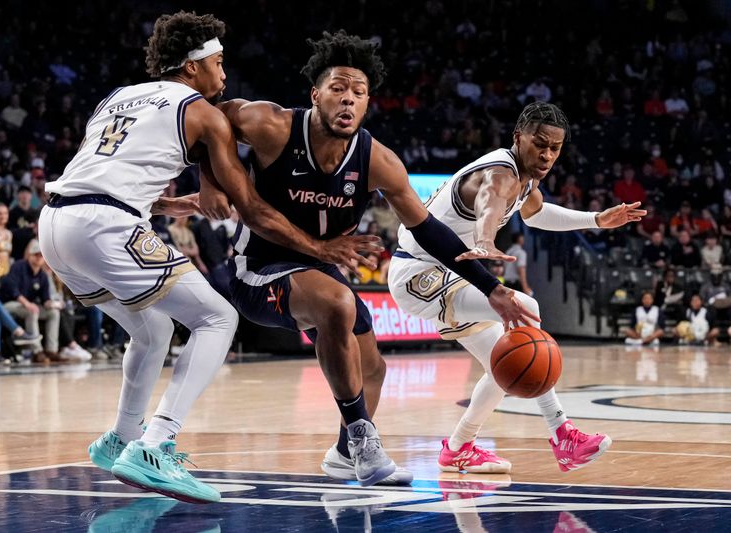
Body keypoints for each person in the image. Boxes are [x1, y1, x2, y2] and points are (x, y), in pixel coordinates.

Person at [37, 13, 380, 504]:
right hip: (106, 228)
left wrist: (166, 203)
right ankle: (156, 444)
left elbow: (101, 172)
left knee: (152, 330)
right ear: (193, 67)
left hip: (56, 224)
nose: (224, 75)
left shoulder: (116, 96)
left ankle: (120, 439)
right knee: (216, 317)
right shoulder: (203, 113)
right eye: (218, 64)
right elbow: (253, 210)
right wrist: (320, 250)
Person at [201, 30, 537, 487]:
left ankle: (344, 454)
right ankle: (362, 437)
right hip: (258, 269)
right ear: (315, 94)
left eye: (359, 93)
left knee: (373, 369)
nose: (348, 100)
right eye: (337, 88)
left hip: (316, 270)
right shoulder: (272, 125)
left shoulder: (377, 160)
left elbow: (428, 230)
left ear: (368, 103)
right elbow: (208, 119)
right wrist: (208, 181)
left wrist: (492, 289)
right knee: (337, 304)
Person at [389, 101, 645, 474]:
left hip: (451, 275)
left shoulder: (527, 180)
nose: (546, 154)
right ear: (518, 138)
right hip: (419, 275)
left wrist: (596, 220)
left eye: (554, 148)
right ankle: (562, 434)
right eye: (539, 143)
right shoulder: (501, 173)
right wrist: (485, 240)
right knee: (526, 307)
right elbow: (489, 203)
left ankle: (459, 446)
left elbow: (537, 213)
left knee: (506, 364)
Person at [0, 239, 61, 363]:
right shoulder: (18, 266)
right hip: (9, 304)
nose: (38, 258)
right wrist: (27, 303)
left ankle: (51, 350)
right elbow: (13, 291)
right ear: (29, 255)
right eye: (36, 255)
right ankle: (36, 351)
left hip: (28, 306)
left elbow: (45, 299)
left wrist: (52, 304)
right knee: (32, 310)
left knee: (53, 313)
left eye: (41, 255)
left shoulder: (43, 275)